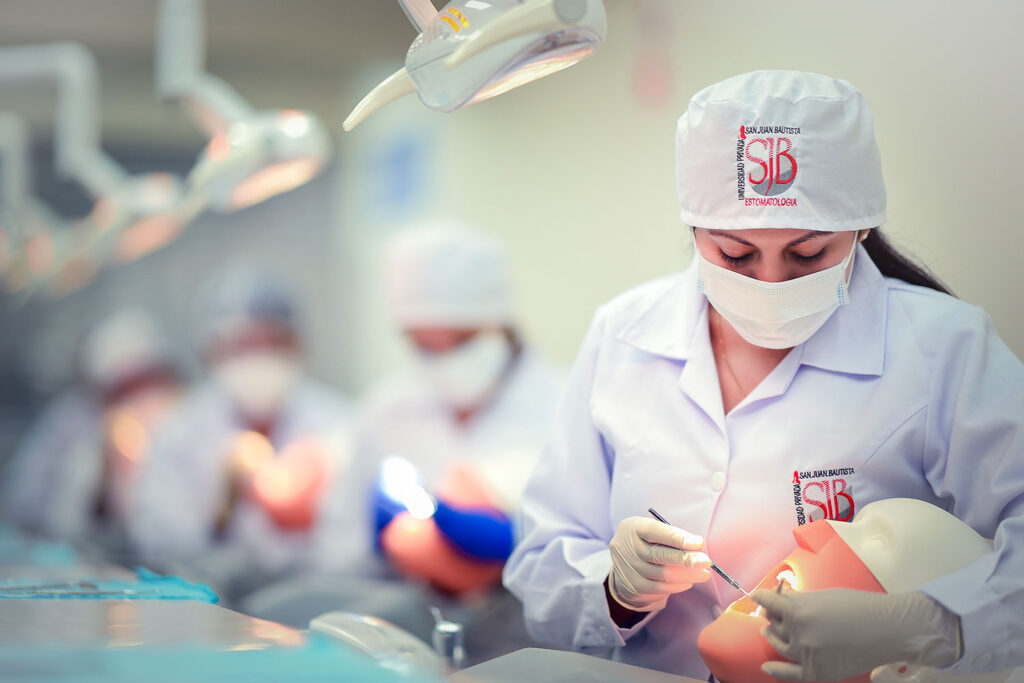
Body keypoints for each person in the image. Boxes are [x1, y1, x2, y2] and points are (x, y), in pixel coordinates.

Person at [503, 70, 1024, 681]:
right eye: (735, 254)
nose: (770, 283)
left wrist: (932, 624)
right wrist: (615, 590)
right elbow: (540, 561)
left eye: (807, 255)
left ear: (859, 229)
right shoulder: (623, 335)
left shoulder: (944, 346)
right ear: (694, 229)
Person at [314, 223, 566, 663]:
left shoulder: (566, 403)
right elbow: (336, 550)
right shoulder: (385, 411)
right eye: (425, 346)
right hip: (405, 638)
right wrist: (385, 542)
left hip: (528, 646)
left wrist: (513, 546)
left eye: (463, 340)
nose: (446, 360)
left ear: (501, 322)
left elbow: (593, 556)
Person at [130, 264, 354, 602]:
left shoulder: (337, 424)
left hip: (313, 610)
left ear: (300, 345)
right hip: (209, 612)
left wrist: (298, 516)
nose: (258, 358)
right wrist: (226, 506)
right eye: (243, 345)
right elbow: (162, 547)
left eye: (272, 342)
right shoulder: (180, 433)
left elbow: (351, 550)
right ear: (211, 350)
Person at [2, 308, 184, 556]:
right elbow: (59, 522)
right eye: (125, 388)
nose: (141, 398)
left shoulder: (194, 432)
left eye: (148, 380)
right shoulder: (87, 449)